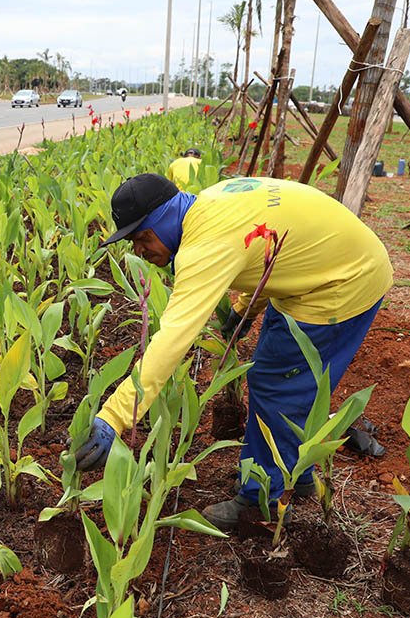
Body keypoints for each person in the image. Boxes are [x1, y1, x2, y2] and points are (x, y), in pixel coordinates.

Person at [71, 173, 393, 530]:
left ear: (164, 220)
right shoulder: (208, 203)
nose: (140, 251)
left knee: (278, 387)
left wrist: (114, 417)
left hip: (344, 281)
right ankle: (297, 475)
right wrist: (244, 309)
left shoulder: (205, 246)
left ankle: (260, 501)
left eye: (143, 237)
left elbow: (173, 339)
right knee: (283, 377)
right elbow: (271, 250)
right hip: (326, 267)